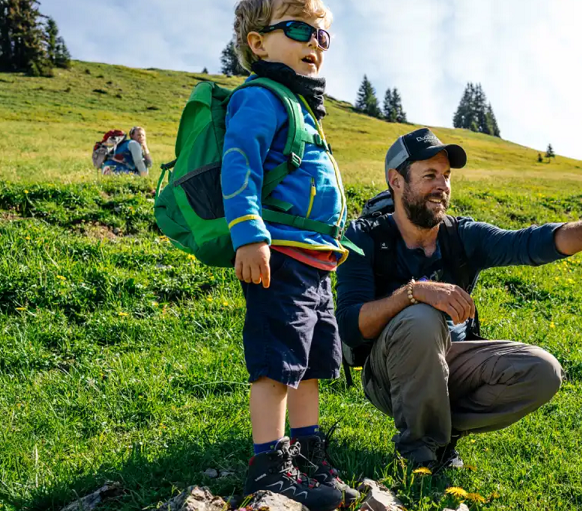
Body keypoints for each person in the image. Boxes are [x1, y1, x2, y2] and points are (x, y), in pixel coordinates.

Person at [336, 127, 582, 470]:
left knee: (543, 371)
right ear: (396, 181)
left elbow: (530, 243)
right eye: (429, 175)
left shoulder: (462, 235)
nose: (442, 186)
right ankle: (422, 455)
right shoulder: (365, 237)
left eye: (447, 176)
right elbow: (349, 326)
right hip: (389, 373)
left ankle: (437, 427)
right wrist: (413, 293)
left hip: (449, 360)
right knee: (422, 316)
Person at [221, 1, 358, 509]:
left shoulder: (300, 106)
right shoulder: (262, 97)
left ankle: (307, 451)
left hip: (317, 263)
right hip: (279, 255)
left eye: (323, 37)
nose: (314, 45)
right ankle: (269, 465)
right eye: (300, 30)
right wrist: (249, 235)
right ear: (258, 43)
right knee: (278, 359)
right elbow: (239, 165)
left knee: (312, 361)